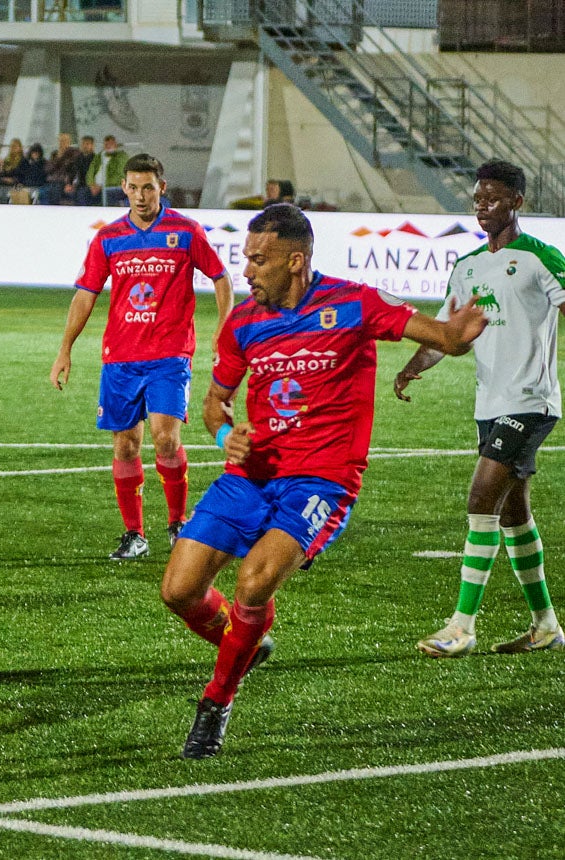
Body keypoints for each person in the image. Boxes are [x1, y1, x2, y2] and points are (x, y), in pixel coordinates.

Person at [160, 203, 486, 758]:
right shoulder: (244, 322)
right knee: (179, 590)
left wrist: (457, 335)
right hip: (250, 475)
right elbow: (216, 402)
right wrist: (222, 437)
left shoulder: (355, 302)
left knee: (254, 584)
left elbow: (442, 337)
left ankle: (216, 701)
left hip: (320, 482)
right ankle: (246, 643)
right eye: (246, 260)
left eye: (258, 261)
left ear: (295, 260)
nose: (247, 272)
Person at [396, 160, 565, 658]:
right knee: (514, 515)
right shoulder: (467, 266)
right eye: (477, 199)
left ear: (517, 202)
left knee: (480, 499)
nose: (482, 206)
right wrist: (414, 366)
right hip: (490, 403)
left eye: (493, 198)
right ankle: (546, 626)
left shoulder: (540, 258)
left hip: (530, 401)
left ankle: (461, 626)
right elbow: (451, 336)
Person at [50, 154, 234, 559]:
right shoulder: (109, 237)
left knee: (165, 439)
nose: (139, 195)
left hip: (169, 354)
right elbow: (86, 294)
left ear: (161, 188)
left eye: (147, 187)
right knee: (126, 447)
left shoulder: (185, 231)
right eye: (132, 188)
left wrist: (224, 329)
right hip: (120, 357)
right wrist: (65, 348)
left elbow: (221, 278)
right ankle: (134, 534)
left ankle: (177, 523)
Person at [101, 135, 128, 206]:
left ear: (116, 145)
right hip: (98, 186)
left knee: (108, 192)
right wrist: (91, 183)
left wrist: (104, 185)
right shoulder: (100, 157)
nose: (108, 146)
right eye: (106, 144)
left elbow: (121, 174)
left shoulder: (121, 156)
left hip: (115, 185)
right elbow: (91, 172)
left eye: (111, 144)